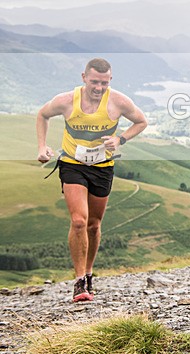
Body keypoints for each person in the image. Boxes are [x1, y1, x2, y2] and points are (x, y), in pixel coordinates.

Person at [36, 58, 147, 302]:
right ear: (84, 77)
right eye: (94, 82)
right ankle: (78, 283)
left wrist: (120, 140)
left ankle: (88, 274)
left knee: (94, 224)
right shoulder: (66, 100)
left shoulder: (118, 101)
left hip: (102, 167)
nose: (98, 88)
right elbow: (43, 115)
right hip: (72, 165)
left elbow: (141, 121)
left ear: (110, 80)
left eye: (104, 83)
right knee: (78, 221)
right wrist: (42, 147)